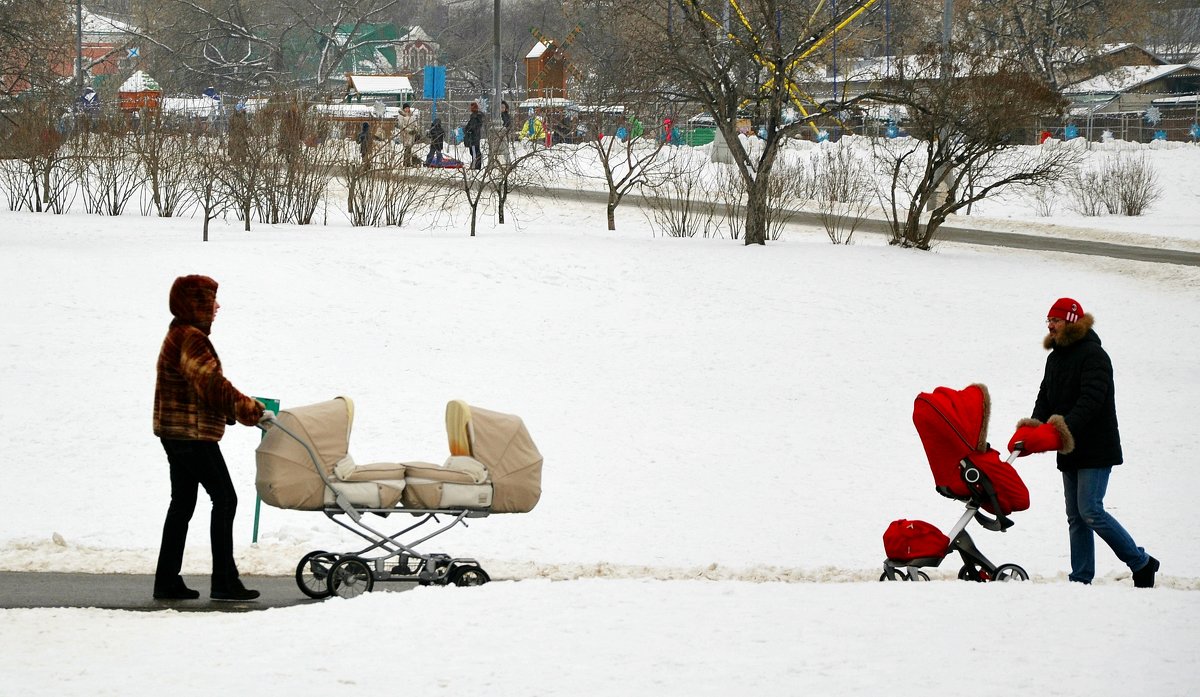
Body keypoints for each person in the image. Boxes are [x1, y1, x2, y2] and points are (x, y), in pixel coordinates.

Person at [1008, 297, 1159, 588]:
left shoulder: (1094, 356)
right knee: (1076, 516)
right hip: (1069, 447)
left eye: (1056, 320)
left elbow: (1091, 401)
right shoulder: (1055, 358)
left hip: (1096, 446)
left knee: (1091, 510)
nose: (1050, 325)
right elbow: (1045, 397)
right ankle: (1081, 576)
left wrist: (1059, 430)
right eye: (1048, 321)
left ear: (1072, 322)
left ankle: (1141, 562)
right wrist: (1032, 429)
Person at [153, 275, 266, 602]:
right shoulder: (190, 338)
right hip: (191, 436)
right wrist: (250, 410)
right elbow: (212, 385)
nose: (217, 307)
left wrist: (233, 411)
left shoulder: (179, 333)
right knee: (225, 498)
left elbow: (201, 388)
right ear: (195, 304)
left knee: (183, 504)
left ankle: (167, 581)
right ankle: (224, 582)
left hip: (176, 433)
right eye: (210, 301)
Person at [462, 102, 484, 170]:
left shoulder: (474, 117)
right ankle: (477, 165)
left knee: (474, 151)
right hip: (476, 136)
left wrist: (466, 130)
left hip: (473, 137)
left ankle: (475, 166)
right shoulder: (478, 117)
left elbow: (471, 127)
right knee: (476, 151)